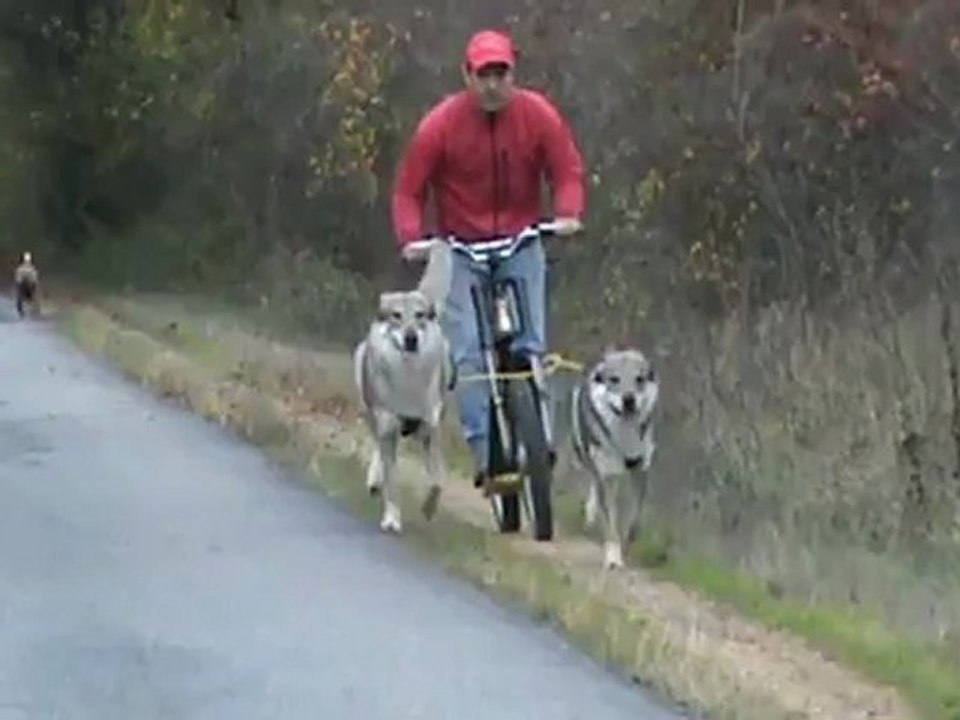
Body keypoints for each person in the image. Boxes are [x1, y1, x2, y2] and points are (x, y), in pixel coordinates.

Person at [391, 28, 587, 486]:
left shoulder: (537, 115)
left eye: (502, 73)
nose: (493, 84)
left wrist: (568, 213)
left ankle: (539, 440)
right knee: (470, 353)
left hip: (521, 240)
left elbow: (567, 170)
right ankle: (485, 453)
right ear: (467, 75)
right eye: (484, 75)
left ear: (514, 73)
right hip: (461, 248)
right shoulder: (440, 126)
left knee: (531, 344)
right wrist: (412, 237)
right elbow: (408, 191)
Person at [14, 251, 39, 318]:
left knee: (22, 298)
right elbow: (34, 279)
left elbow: (18, 279)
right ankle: (25, 311)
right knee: (27, 297)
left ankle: (24, 311)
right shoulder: (31, 268)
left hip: (25, 285)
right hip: (25, 285)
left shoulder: (21, 268)